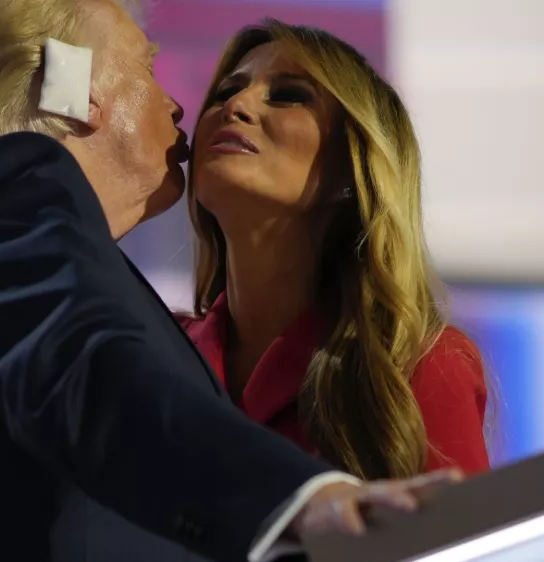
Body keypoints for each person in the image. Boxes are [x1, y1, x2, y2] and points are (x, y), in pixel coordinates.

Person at [0, 1, 462, 561]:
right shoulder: (9, 182)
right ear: (76, 88)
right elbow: (87, 366)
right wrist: (296, 500)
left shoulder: (7, 266)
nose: (181, 105)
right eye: (148, 68)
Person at [178, 19, 489, 479]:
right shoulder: (156, 350)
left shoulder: (417, 366)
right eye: (225, 92)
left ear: (352, 168)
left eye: (288, 95)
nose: (236, 106)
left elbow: (456, 528)